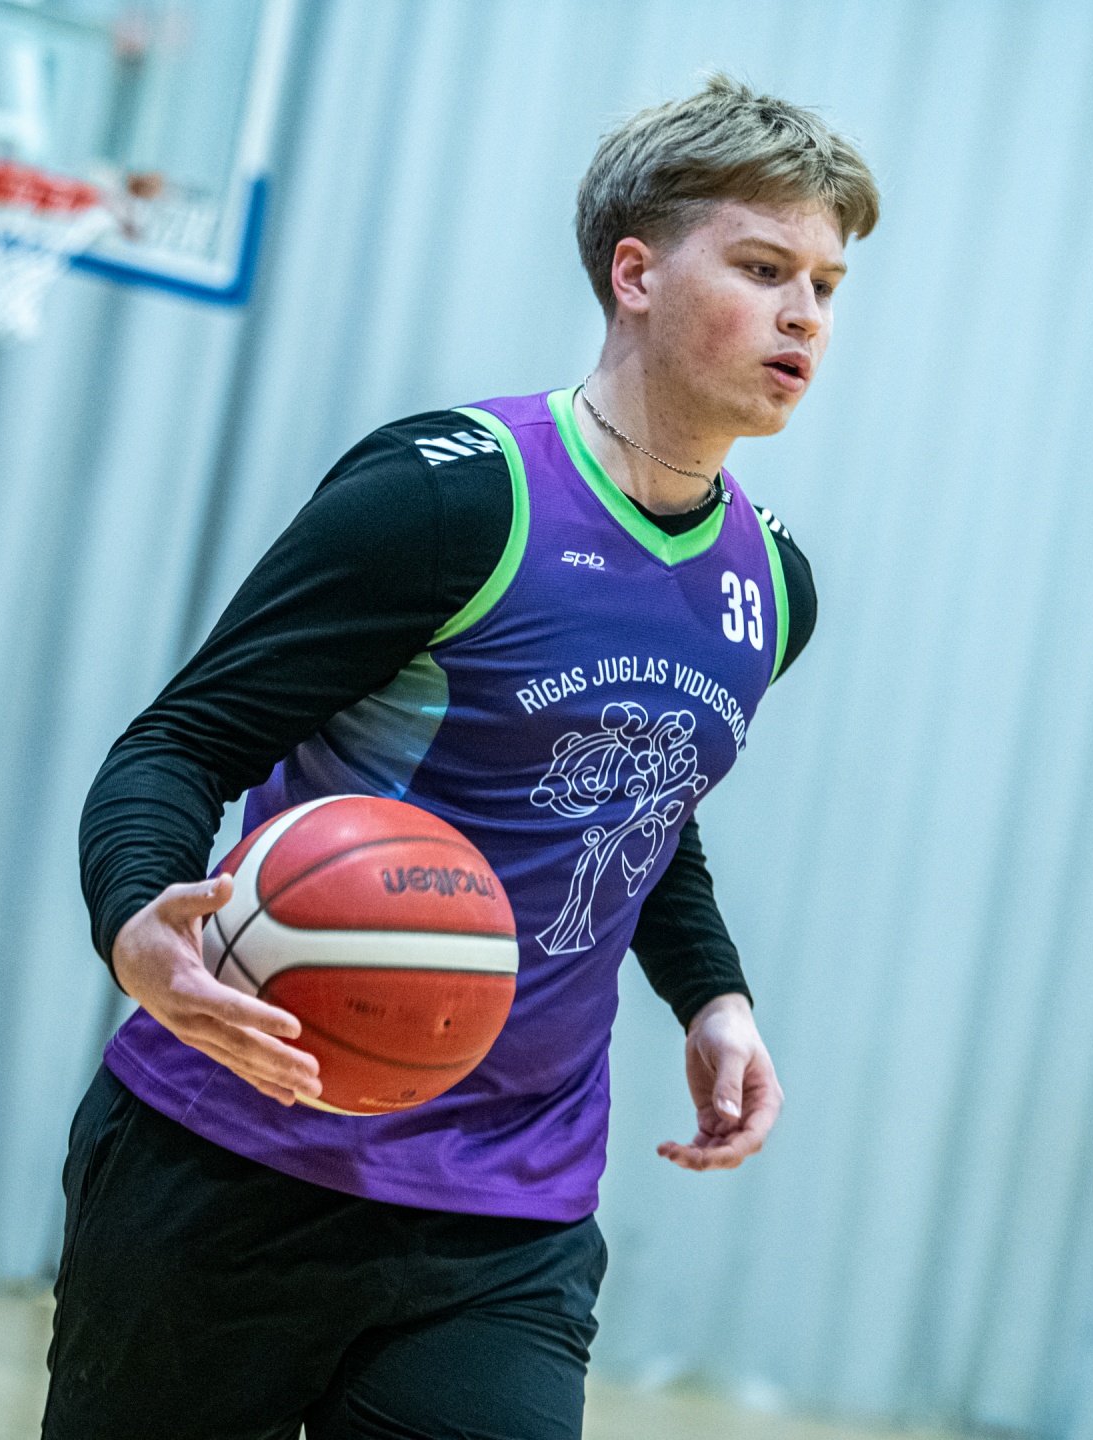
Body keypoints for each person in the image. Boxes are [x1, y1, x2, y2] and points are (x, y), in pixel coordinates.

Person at [47, 74, 879, 1440]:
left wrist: (713, 997)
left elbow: (643, 806)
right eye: (763, 268)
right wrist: (138, 920)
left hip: (510, 1211)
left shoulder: (773, 587)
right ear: (636, 275)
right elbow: (182, 739)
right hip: (237, 1156)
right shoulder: (451, 498)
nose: (806, 316)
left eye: (828, 286)